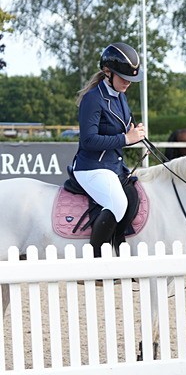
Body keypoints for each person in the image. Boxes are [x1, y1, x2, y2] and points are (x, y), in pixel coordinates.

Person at [72, 42, 146, 257]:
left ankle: (118, 247)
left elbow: (124, 128)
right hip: (91, 167)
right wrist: (125, 138)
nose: (128, 82)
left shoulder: (121, 96)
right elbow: (88, 140)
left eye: (130, 79)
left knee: (135, 195)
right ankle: (95, 259)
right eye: (123, 77)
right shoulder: (93, 99)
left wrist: (134, 133)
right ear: (107, 72)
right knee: (117, 203)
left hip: (114, 166)